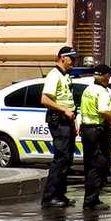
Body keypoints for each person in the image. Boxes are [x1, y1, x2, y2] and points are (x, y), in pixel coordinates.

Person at [39, 46, 79, 208]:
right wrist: (64, 110)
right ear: (63, 57)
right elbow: (45, 99)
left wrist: (73, 118)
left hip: (67, 119)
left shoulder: (65, 76)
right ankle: (50, 196)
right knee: (61, 157)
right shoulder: (54, 75)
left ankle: (60, 195)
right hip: (59, 120)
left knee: (67, 158)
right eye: (72, 58)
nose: (75, 61)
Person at [79, 64, 111, 210]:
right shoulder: (102, 92)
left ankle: (90, 198)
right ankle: (91, 201)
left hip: (87, 130)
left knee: (90, 166)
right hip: (98, 131)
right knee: (99, 165)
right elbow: (104, 111)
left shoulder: (88, 90)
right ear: (107, 76)